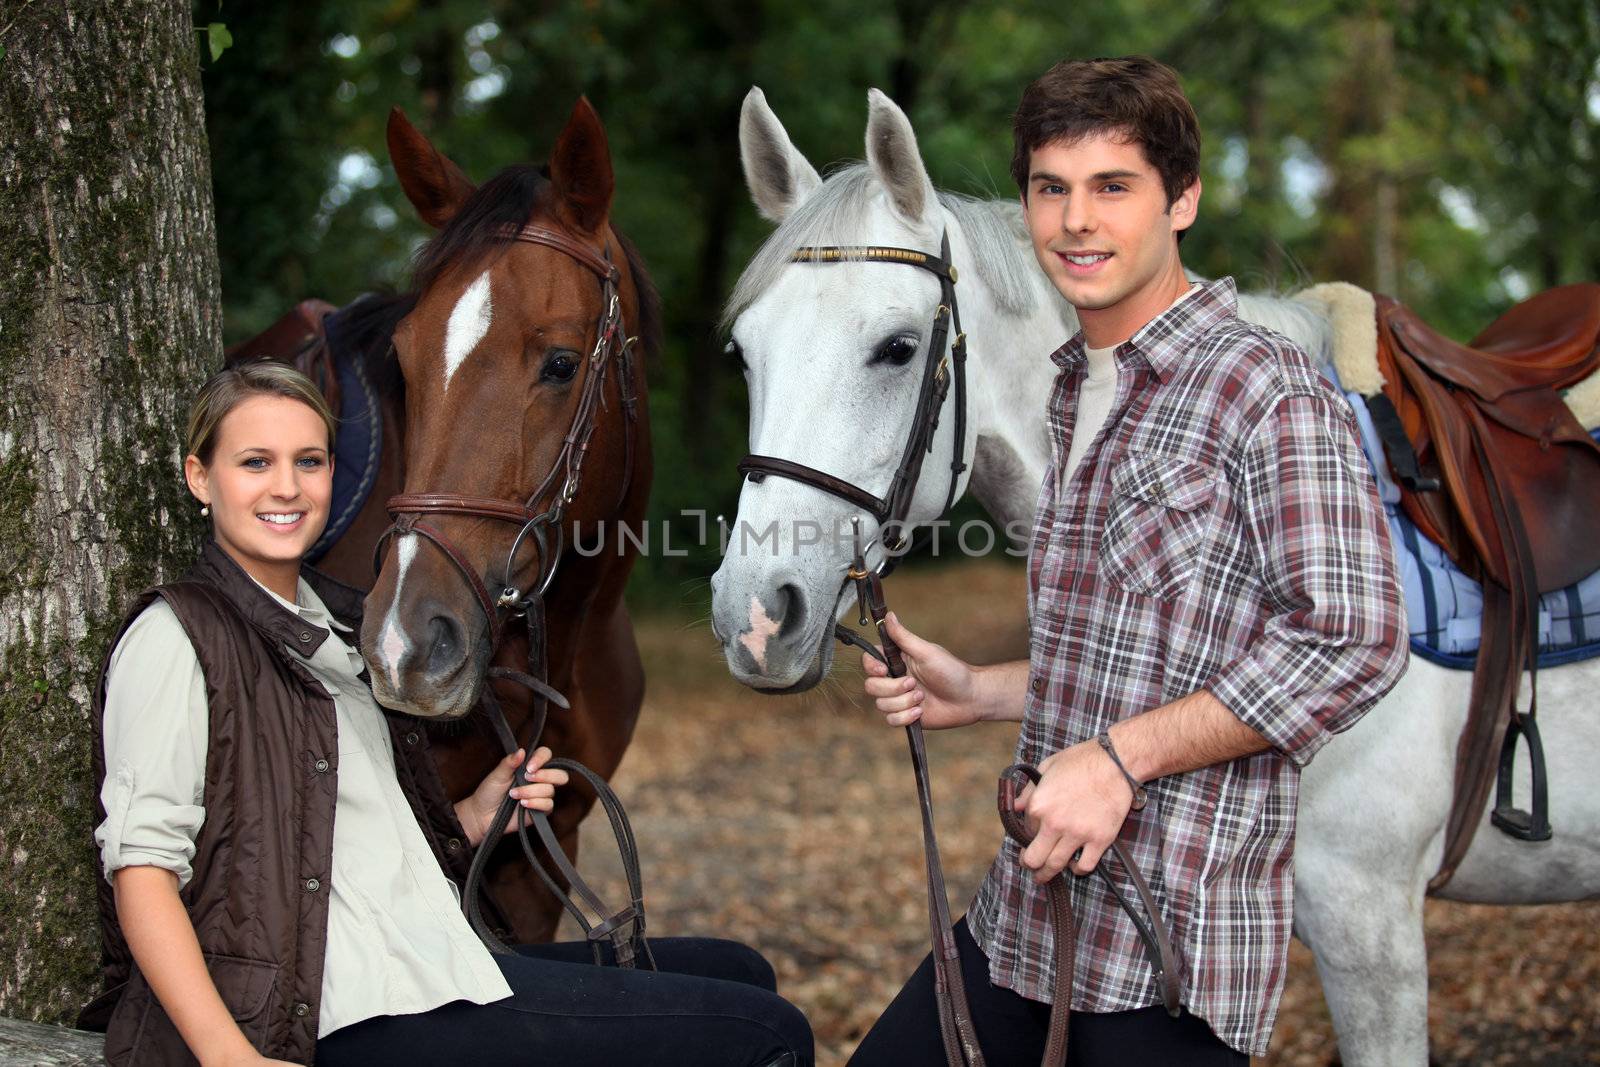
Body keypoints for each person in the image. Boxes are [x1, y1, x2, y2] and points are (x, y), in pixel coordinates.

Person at [851, 57, 1406, 1065]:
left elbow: (1353, 637)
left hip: (1165, 954)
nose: (1074, 221)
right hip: (1023, 912)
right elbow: (1148, 647)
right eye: (1049, 188)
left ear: (1181, 198)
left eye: (1113, 187)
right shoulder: (1073, 390)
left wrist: (1120, 758)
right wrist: (978, 688)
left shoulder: (1263, 387)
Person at [81, 361, 812, 1067]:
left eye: (309, 461)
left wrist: (474, 812)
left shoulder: (336, 628)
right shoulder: (178, 635)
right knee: (765, 1034)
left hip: (426, 959)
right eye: (255, 462)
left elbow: (345, 848)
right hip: (342, 1007)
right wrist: (226, 1053)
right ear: (200, 478)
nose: (287, 486)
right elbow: (142, 871)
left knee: (741, 969)